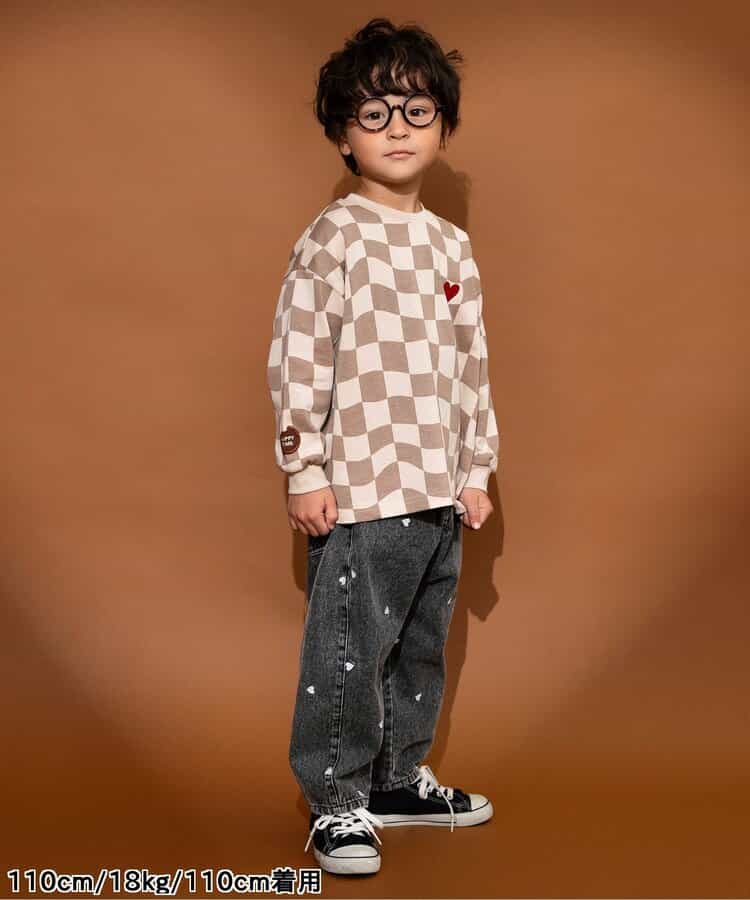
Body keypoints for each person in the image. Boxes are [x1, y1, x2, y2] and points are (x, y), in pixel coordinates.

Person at [266, 17, 500, 876]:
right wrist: (305, 467)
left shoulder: (451, 245)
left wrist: (477, 468)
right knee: (348, 650)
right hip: (363, 488)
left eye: (415, 109)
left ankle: (397, 781)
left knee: (419, 645)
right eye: (373, 114)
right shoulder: (333, 237)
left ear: (443, 124)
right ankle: (336, 800)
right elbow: (298, 354)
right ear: (343, 135)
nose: (397, 127)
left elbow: (471, 362)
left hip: (438, 488)